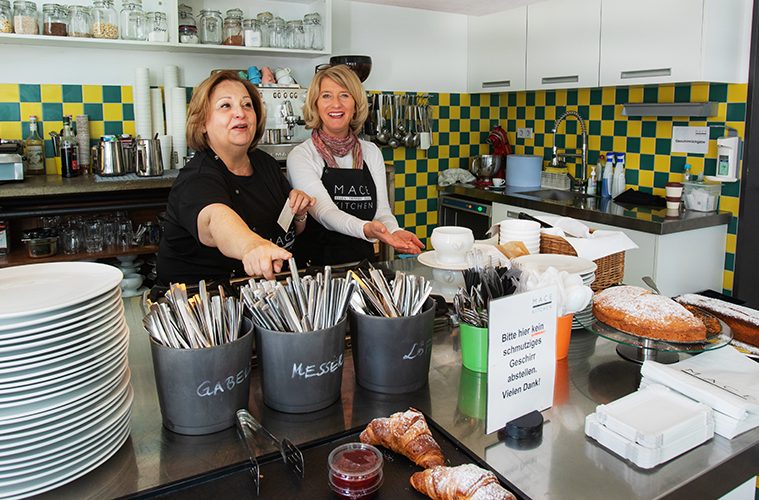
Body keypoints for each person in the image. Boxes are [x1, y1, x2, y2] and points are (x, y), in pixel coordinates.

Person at [157, 71, 315, 284]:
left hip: (263, 290)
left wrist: (300, 214)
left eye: (247, 105)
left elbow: (287, 227)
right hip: (202, 297)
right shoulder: (197, 178)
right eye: (225, 105)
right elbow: (216, 220)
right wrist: (252, 246)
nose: (240, 113)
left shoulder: (265, 163)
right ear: (202, 123)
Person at [287, 64, 424, 266]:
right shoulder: (301, 155)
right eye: (326, 96)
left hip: (363, 266)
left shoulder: (371, 152)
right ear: (315, 104)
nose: (336, 104)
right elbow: (325, 213)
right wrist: (367, 229)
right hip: (316, 270)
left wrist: (394, 231)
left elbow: (382, 212)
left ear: (355, 105)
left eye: (345, 95)